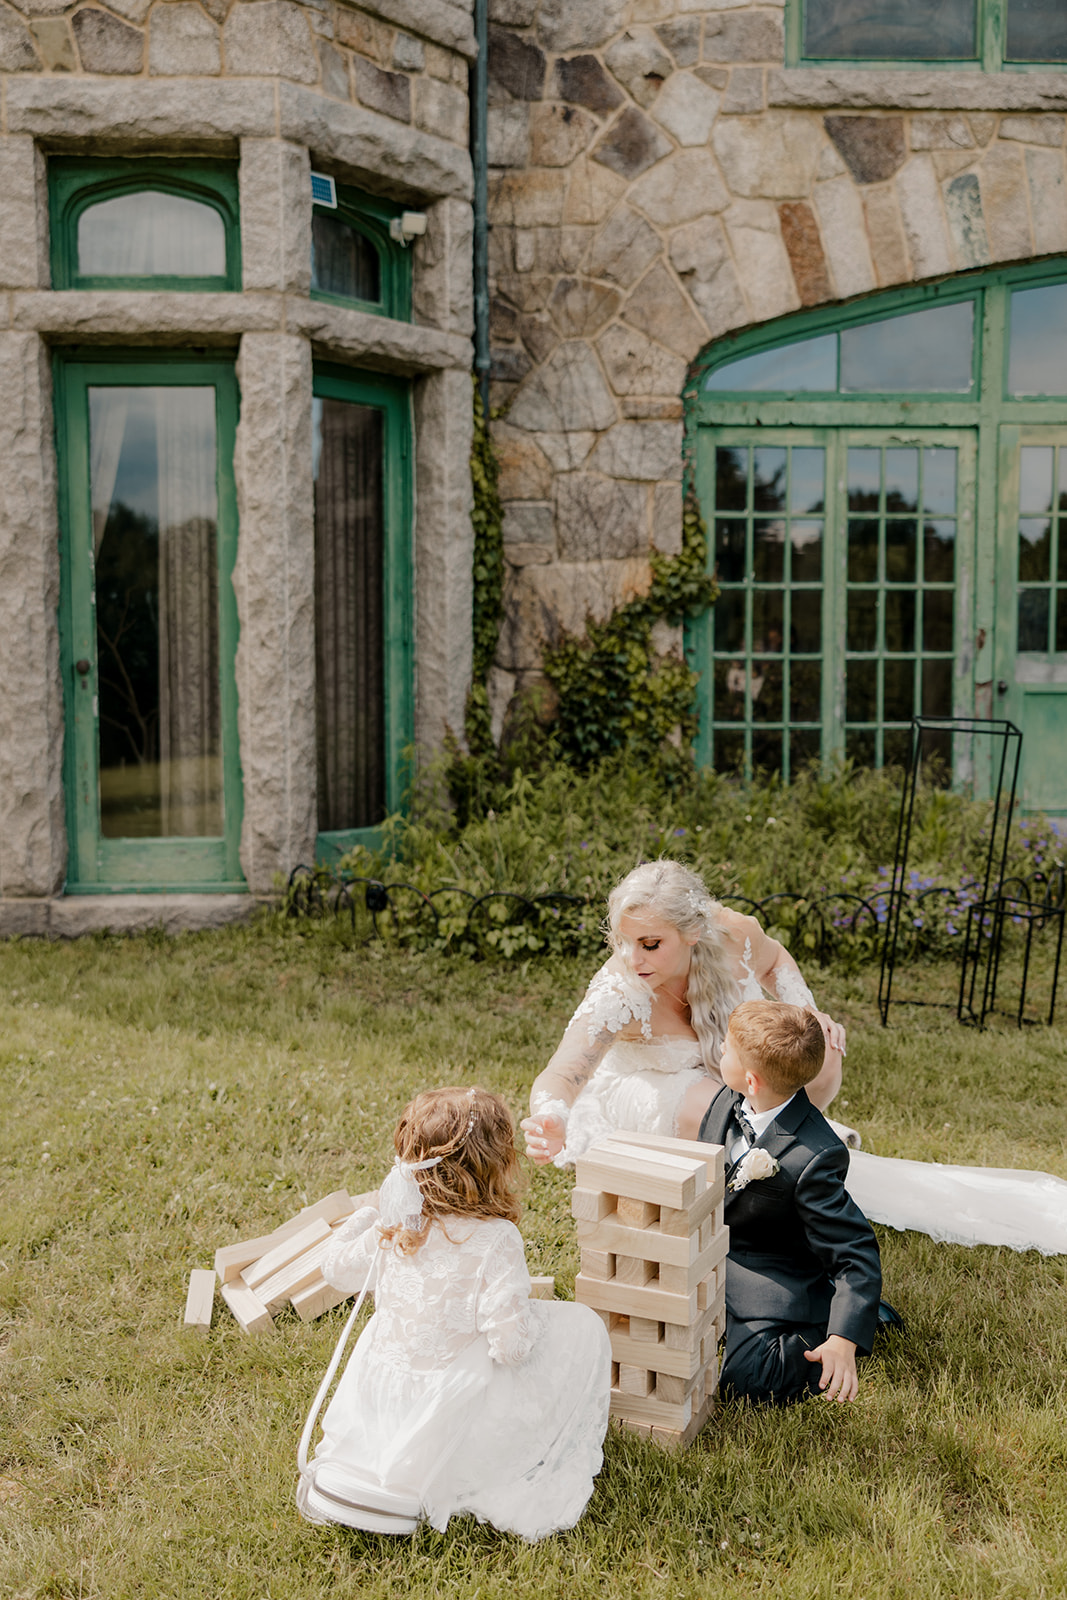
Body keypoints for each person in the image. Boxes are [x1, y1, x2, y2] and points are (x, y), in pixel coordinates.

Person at [299, 1086, 611, 1541]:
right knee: (583, 1326)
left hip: (380, 1400)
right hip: (450, 1414)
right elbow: (511, 1346)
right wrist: (530, 1317)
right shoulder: (495, 1238)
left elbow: (336, 1269)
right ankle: (444, 1470)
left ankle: (379, 1467)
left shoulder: (398, 1226)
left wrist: (366, 1217)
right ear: (493, 1165)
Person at [522, 859, 850, 1169]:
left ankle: (780, 1140)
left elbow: (775, 958)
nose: (632, 959)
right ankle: (771, 1153)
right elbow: (564, 1072)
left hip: (726, 1076)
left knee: (821, 1049)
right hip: (652, 1088)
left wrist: (806, 1008)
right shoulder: (619, 990)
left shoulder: (734, 933)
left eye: (649, 944)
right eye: (623, 942)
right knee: (717, 1109)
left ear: (691, 932)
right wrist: (550, 1116)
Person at [699, 1000, 882, 1405]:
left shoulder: (815, 1156)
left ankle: (830, 1331)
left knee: (746, 1381)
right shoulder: (725, 1102)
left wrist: (843, 1340)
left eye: (726, 1049)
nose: (718, 1054)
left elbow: (855, 1252)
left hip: (772, 1280)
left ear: (751, 1079)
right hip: (712, 1260)